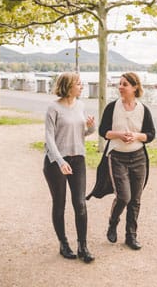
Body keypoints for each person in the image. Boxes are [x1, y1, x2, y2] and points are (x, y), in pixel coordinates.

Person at [87, 72, 156, 250]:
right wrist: (119, 135)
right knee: (124, 196)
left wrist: (136, 136)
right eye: (120, 84)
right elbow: (104, 132)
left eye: (124, 84)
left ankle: (131, 236)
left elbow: (150, 135)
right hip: (117, 157)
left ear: (134, 87)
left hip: (138, 158)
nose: (120, 87)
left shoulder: (143, 109)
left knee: (136, 199)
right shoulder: (112, 107)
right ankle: (113, 221)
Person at [43, 72, 96, 263]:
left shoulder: (80, 105)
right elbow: (49, 138)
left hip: (78, 159)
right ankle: (63, 243)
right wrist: (60, 161)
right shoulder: (53, 107)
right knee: (59, 204)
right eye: (78, 84)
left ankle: (83, 246)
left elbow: (83, 133)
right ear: (68, 86)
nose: (81, 87)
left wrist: (91, 127)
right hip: (56, 162)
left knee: (80, 203)